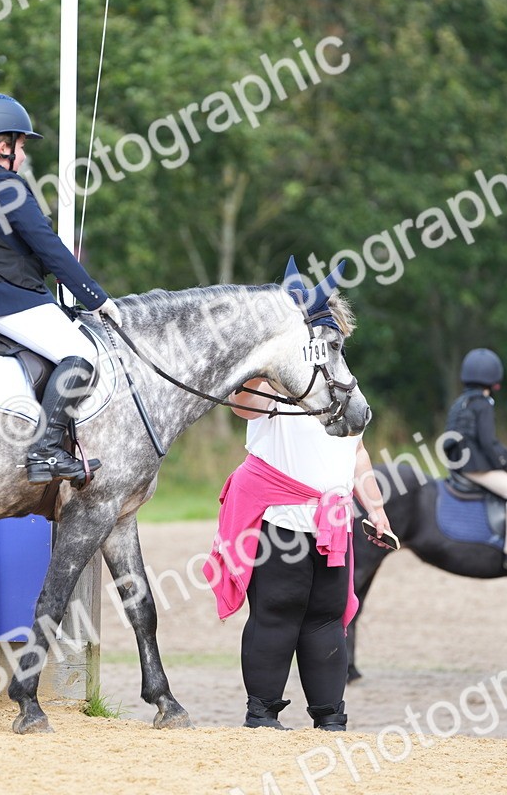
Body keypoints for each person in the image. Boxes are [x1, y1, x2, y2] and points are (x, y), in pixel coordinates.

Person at [201, 296, 392, 732]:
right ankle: (262, 715)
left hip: (333, 523)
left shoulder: (342, 385)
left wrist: (376, 509)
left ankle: (330, 719)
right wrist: (274, 360)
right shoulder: (273, 382)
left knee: (327, 618)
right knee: (277, 612)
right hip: (280, 521)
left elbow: (358, 453)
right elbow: (242, 406)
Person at [0, 93, 120, 484]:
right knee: (81, 352)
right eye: (20, 145)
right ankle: (46, 451)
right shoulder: (6, 187)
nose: (22, 155)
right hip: (5, 298)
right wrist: (95, 297)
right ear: (2, 147)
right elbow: (49, 247)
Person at [444, 348, 507, 573]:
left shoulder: (460, 403)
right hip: (476, 467)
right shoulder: (483, 404)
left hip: (459, 463)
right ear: (493, 379)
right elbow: (489, 443)